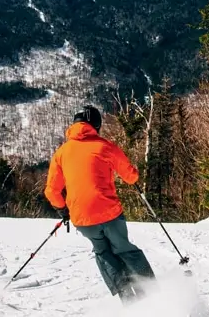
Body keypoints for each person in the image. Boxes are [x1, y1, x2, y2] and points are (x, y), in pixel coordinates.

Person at [44, 105, 156, 304]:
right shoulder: (105, 146)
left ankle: (127, 297)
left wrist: (63, 209)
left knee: (103, 252)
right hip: (109, 212)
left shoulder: (61, 153)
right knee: (124, 249)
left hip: (82, 218)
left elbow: (51, 191)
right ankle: (151, 292)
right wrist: (134, 173)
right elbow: (130, 176)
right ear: (97, 125)